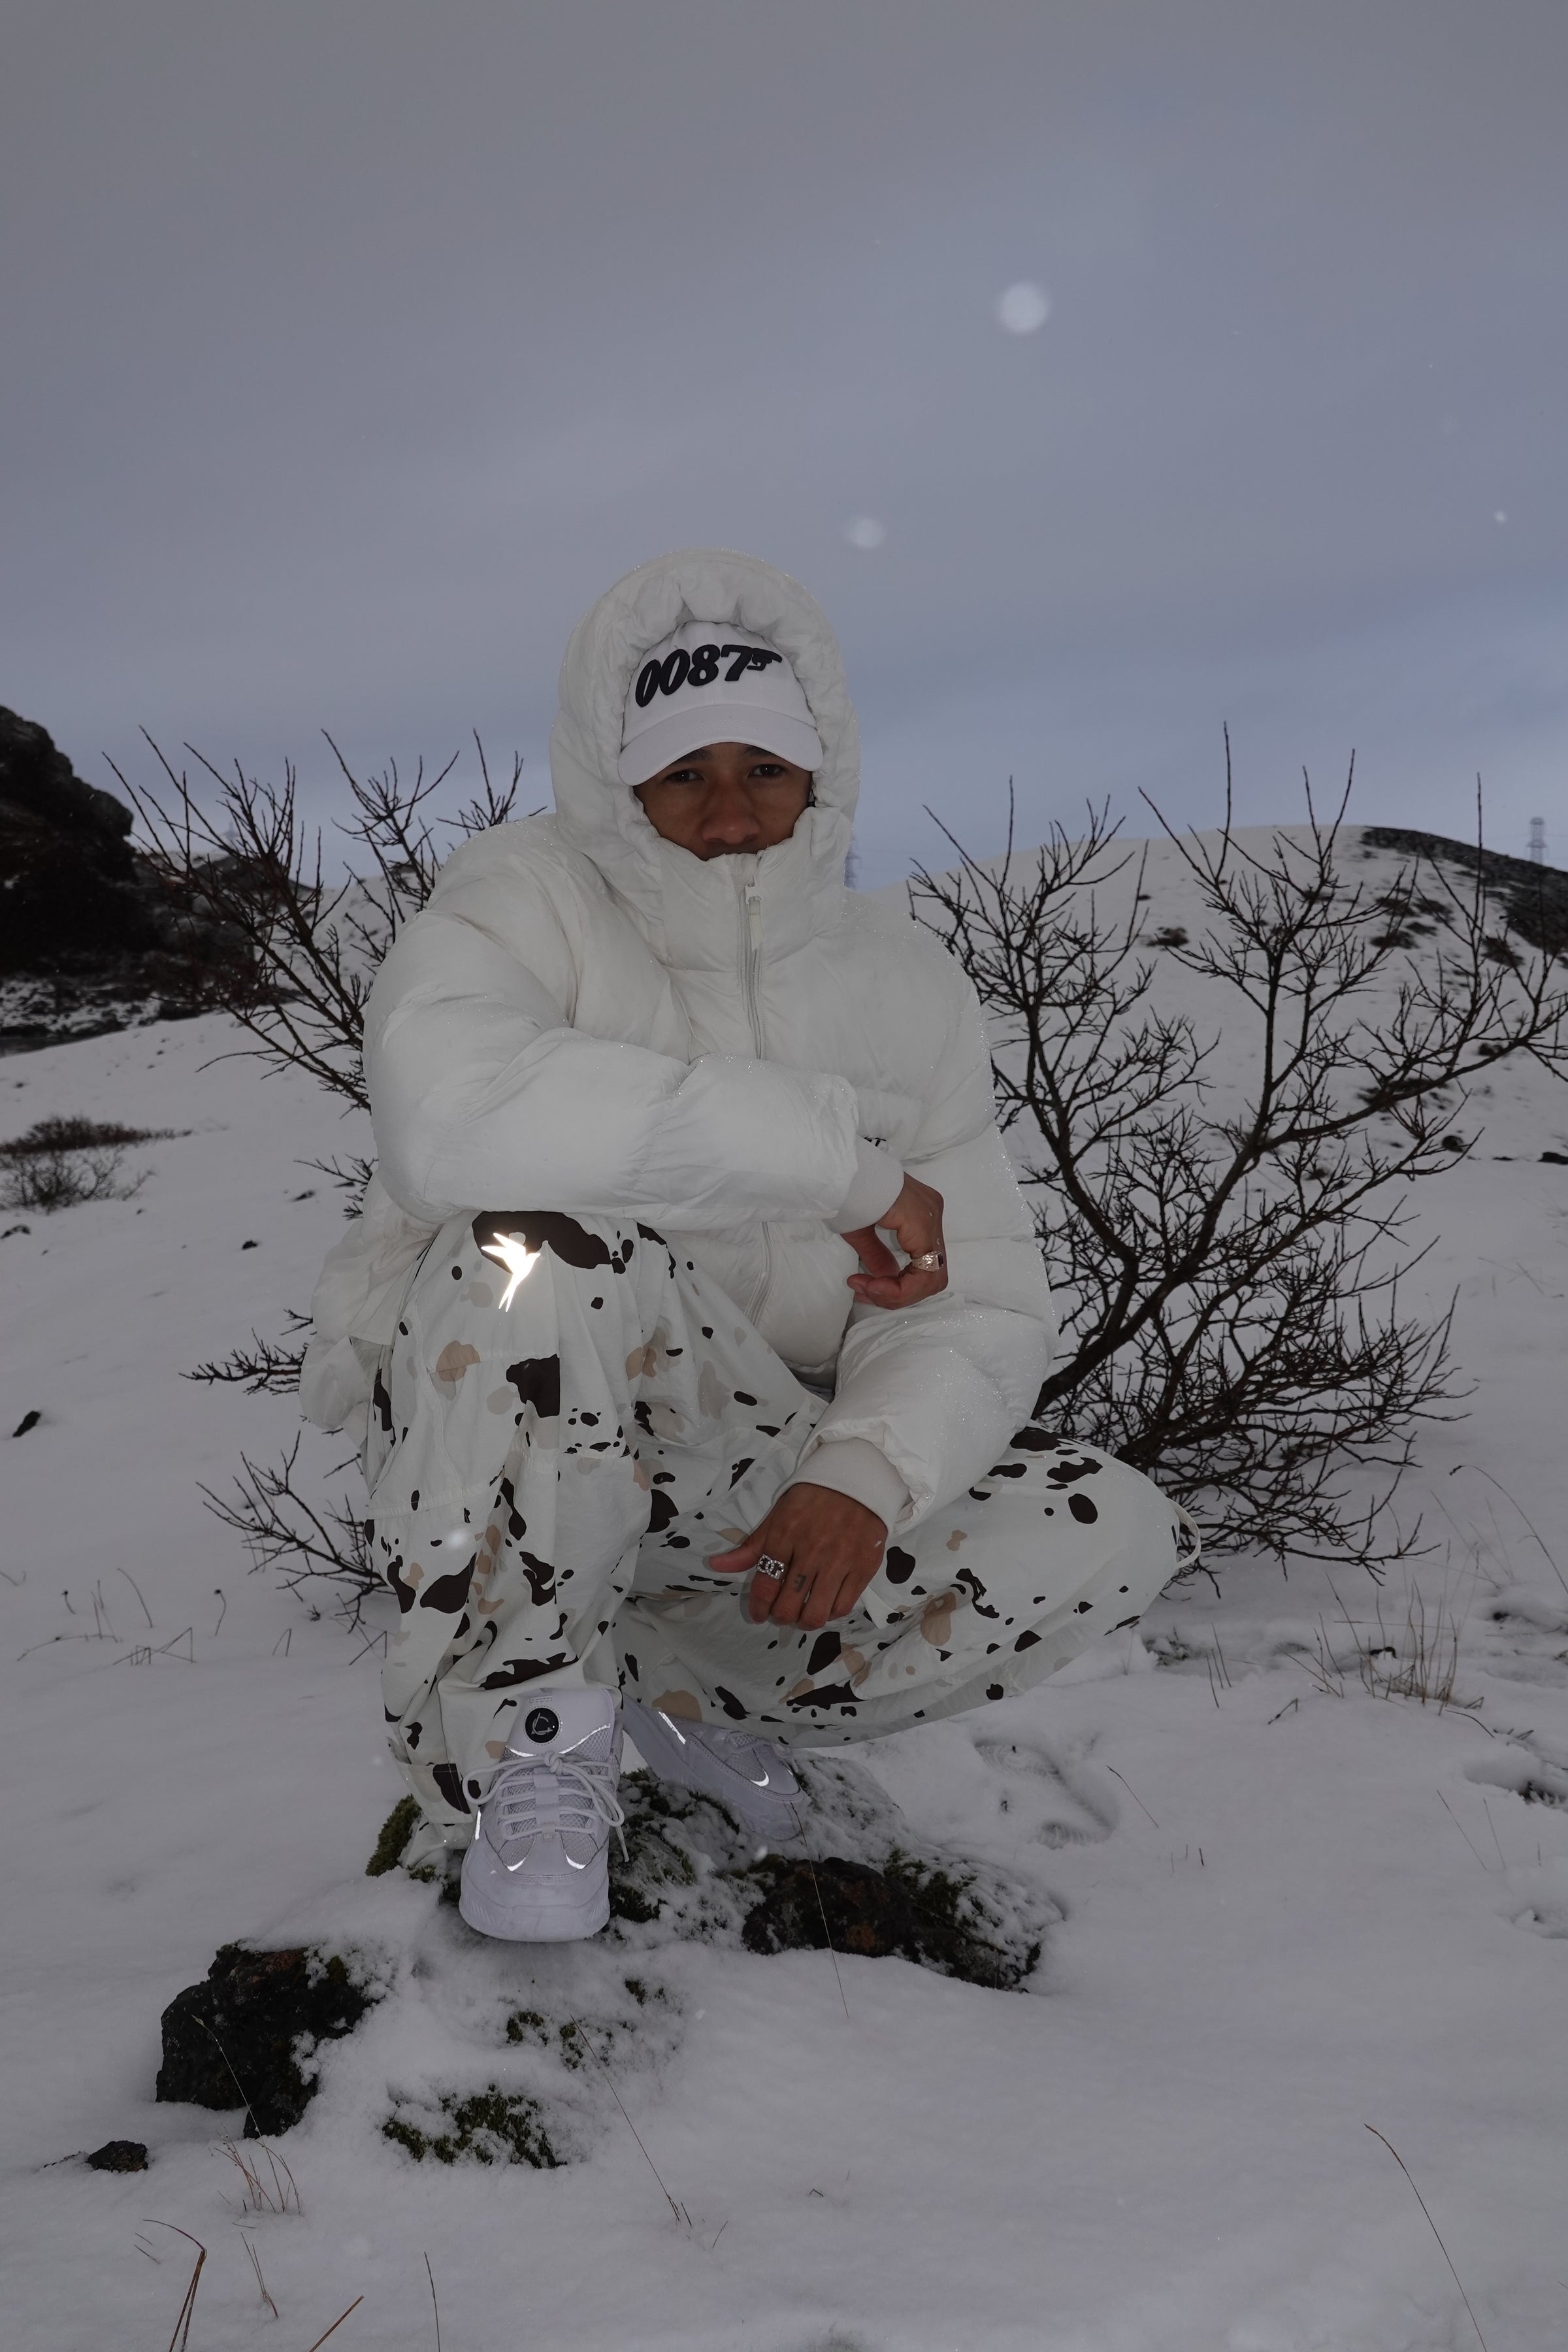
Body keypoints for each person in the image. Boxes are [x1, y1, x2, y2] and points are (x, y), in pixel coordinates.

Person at [301, 548, 1186, 1944]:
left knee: (1113, 1524)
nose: (728, 817)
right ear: (618, 782)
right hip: (517, 1437)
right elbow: (449, 1117)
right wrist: (835, 1162)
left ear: (821, 774)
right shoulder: (522, 897)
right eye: (683, 776)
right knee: (537, 1247)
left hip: (747, 1466)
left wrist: (862, 1474)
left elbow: (979, 1300)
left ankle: (666, 1693)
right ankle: (533, 1736)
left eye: (763, 770)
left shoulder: (901, 980)